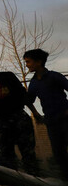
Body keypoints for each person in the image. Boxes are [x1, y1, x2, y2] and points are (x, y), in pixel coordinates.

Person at [0, 51, 38, 173]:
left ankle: (34, 180)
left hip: (18, 116)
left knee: (27, 150)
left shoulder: (9, 76)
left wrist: (35, 112)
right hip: (0, 120)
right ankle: (13, 181)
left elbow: (23, 95)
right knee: (6, 153)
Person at [24, 48, 68, 179]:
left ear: (39, 62)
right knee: (58, 153)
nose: (27, 65)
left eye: (29, 61)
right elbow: (29, 100)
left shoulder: (54, 76)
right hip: (51, 122)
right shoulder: (33, 83)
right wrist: (36, 114)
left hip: (65, 118)